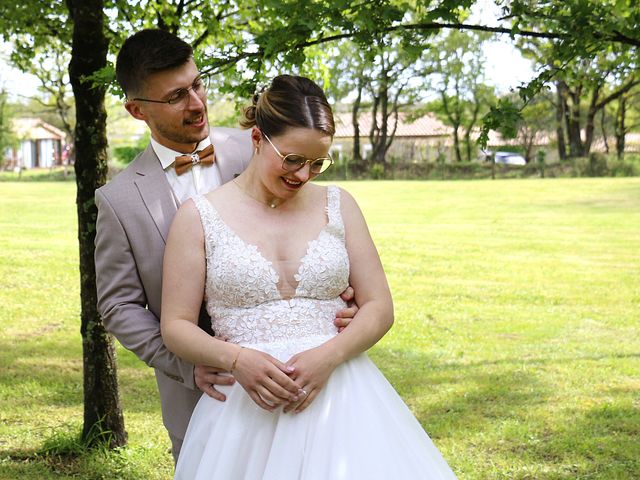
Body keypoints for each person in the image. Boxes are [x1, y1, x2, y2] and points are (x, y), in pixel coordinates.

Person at [161, 75, 458, 479]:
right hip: (243, 407)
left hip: (344, 398)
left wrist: (329, 356)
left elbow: (379, 306)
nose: (303, 175)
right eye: (293, 159)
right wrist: (237, 359)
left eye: (317, 163)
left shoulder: (340, 205)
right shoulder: (198, 216)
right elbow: (175, 325)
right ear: (257, 139)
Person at [94, 30, 356, 463]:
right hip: (206, 393)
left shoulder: (264, 149)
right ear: (136, 109)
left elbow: (323, 232)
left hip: (309, 390)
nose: (196, 103)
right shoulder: (119, 201)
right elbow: (119, 306)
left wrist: (341, 296)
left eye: (197, 84)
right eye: (176, 96)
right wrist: (189, 365)